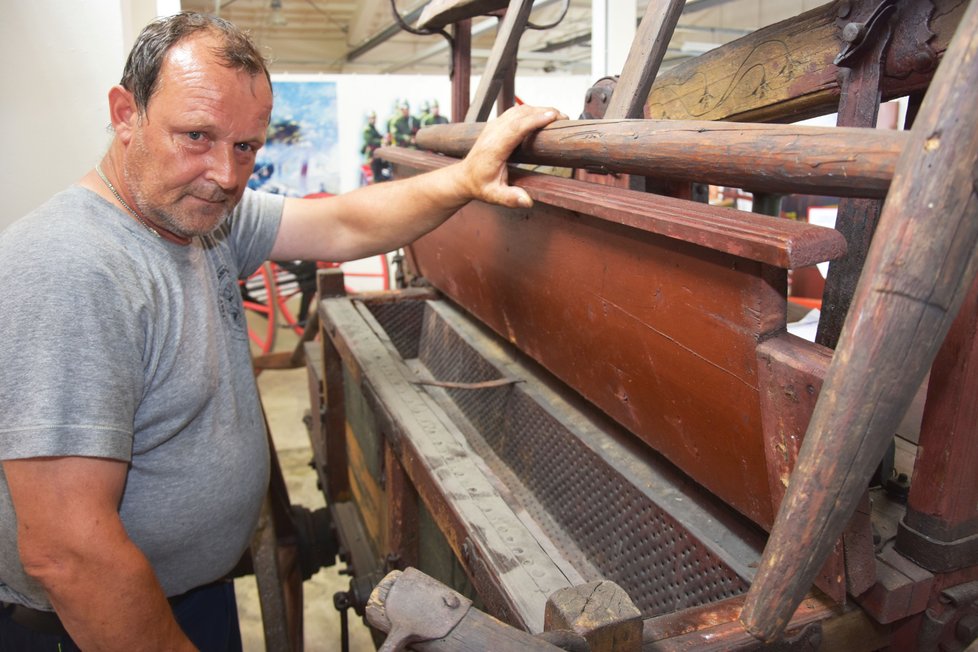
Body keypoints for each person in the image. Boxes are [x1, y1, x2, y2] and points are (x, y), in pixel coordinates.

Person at [0, 11, 562, 652]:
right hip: (94, 623)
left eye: (246, 146)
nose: (226, 174)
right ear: (126, 113)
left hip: (189, 595)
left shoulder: (196, 216)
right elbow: (69, 554)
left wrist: (465, 178)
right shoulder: (71, 266)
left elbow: (345, 223)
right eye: (196, 135)